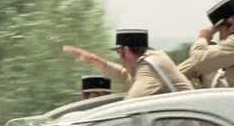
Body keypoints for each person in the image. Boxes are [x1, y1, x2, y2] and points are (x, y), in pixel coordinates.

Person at [63, 29, 193, 98]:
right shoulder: (153, 59)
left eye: (119, 54)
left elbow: (130, 106)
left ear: (126, 51)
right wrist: (95, 60)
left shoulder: (149, 68)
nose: (120, 59)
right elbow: (125, 74)